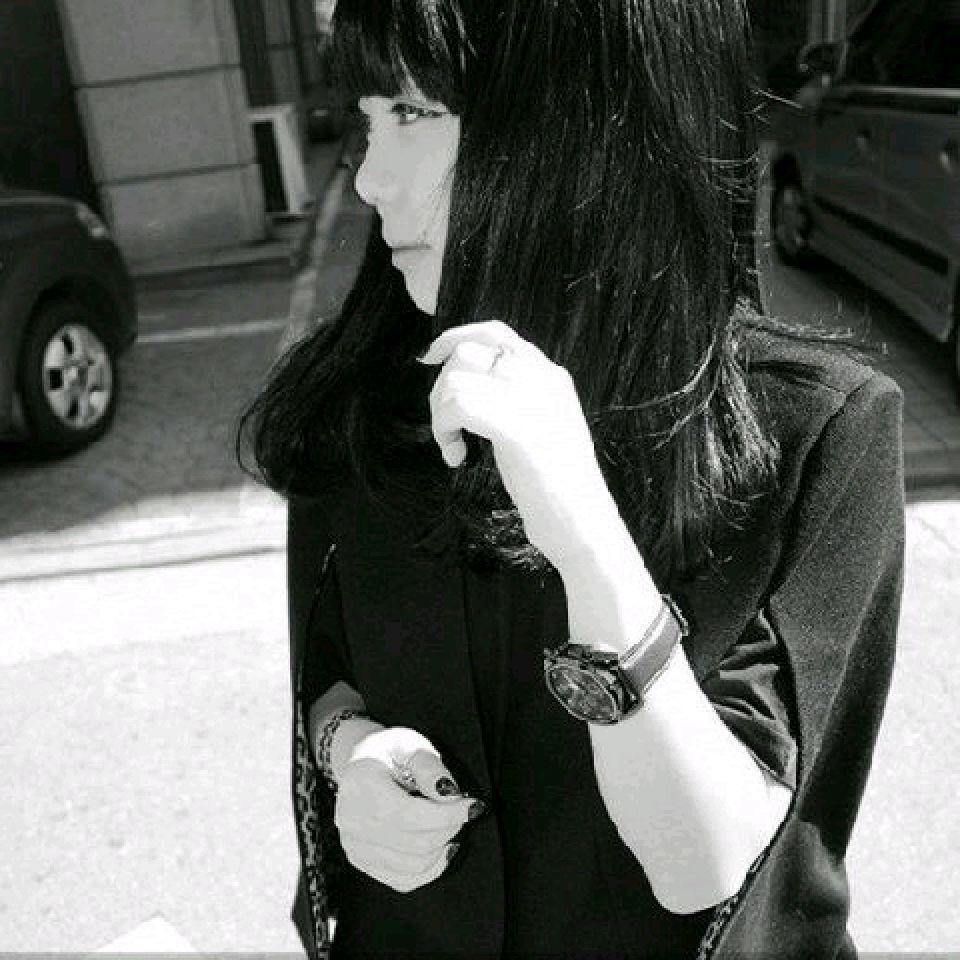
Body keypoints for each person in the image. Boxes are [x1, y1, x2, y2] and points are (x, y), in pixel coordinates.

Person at [240, 1, 905, 957]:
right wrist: (349, 752)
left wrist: (586, 536)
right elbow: (331, 668)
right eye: (370, 116)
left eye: (417, 113)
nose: (371, 179)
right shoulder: (363, 394)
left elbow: (710, 865)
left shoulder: (812, 432)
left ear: (586, 127)